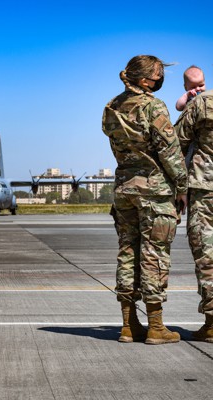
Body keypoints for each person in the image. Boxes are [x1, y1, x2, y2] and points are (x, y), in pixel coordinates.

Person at [102, 55, 188, 345]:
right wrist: (182, 186)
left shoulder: (112, 106)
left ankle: (128, 326)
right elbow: (169, 151)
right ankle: (156, 326)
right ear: (143, 80)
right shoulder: (154, 106)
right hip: (154, 191)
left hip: (124, 189)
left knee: (127, 252)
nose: (159, 80)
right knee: (155, 255)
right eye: (157, 75)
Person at [175, 86, 213, 343]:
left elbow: (176, 141)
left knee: (207, 255)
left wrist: (179, 187)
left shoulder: (202, 102)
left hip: (204, 188)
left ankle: (212, 323)